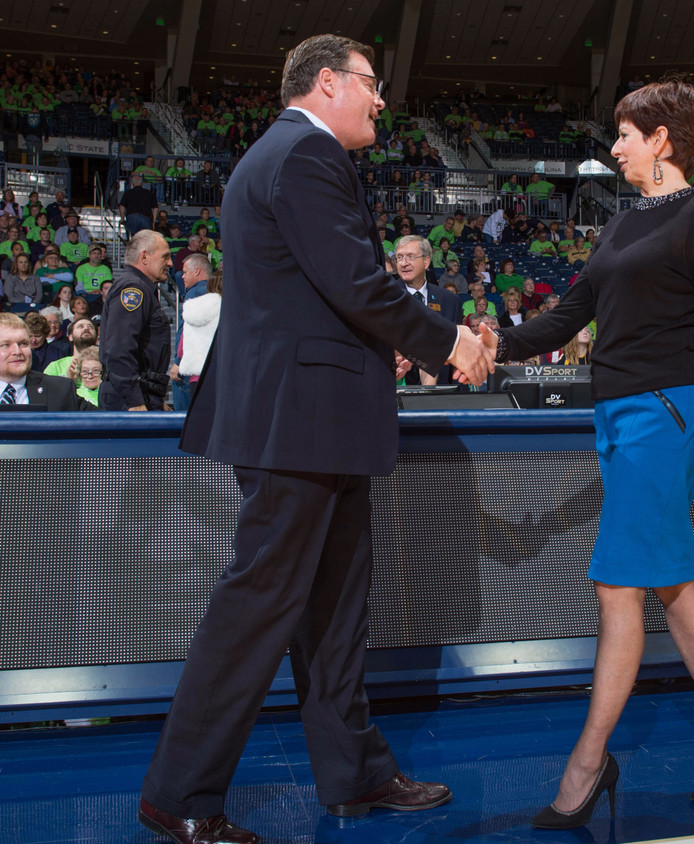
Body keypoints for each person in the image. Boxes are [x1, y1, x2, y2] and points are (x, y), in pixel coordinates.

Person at [139, 34, 494, 844]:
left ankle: (355, 775)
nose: (381, 101)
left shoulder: (284, 154)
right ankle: (179, 795)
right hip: (298, 424)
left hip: (314, 420)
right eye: (372, 85)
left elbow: (320, 298)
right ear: (328, 82)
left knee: (335, 613)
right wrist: (453, 343)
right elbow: (360, 284)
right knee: (256, 609)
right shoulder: (304, 155)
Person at [483, 76, 694, 829]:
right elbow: (574, 312)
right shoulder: (621, 223)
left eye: (625, 135)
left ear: (662, 139)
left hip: (667, 409)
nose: (614, 148)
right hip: (617, 412)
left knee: (617, 586)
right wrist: (493, 346)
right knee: (672, 583)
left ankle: (587, 763)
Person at [99, 231, 172, 411]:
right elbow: (119, 349)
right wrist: (135, 400)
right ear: (145, 257)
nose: (170, 263)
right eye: (165, 257)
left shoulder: (143, 288)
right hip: (128, 399)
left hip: (141, 393)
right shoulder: (133, 288)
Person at [393, 234, 462, 385]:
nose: (404, 263)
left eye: (410, 257)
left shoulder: (450, 301)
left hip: (440, 394)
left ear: (426, 262)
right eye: (399, 257)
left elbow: (456, 351)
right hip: (393, 390)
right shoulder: (385, 297)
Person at [0, 313, 95, 411]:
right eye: (6, 345)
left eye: (23, 344)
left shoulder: (60, 390)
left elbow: (104, 421)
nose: (18, 352)